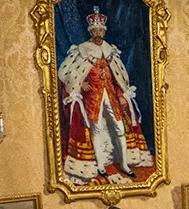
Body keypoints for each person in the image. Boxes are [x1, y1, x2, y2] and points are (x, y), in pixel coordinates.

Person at [58, 6, 153, 185]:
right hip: (92, 99)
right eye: (95, 29)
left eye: (101, 29)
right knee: (96, 130)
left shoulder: (110, 51)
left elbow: (119, 77)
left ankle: (124, 164)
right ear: (91, 31)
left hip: (111, 97)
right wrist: (79, 84)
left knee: (119, 128)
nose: (98, 32)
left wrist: (123, 94)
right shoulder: (82, 50)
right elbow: (65, 73)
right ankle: (100, 165)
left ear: (104, 31)